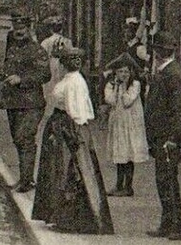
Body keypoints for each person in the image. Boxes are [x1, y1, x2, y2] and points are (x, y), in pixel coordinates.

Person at [32, 46, 113, 235]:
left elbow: (76, 112)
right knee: (59, 171)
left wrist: (73, 136)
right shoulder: (71, 79)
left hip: (68, 128)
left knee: (69, 171)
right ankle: (61, 216)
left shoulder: (74, 82)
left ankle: (73, 219)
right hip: (62, 126)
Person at [145, 33, 181, 241]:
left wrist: (173, 138)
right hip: (162, 137)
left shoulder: (173, 74)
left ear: (157, 52)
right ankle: (167, 223)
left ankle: (177, 224)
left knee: (168, 181)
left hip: (168, 139)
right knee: (164, 181)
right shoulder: (167, 72)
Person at [0, 23, 50, 192]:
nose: (19, 32)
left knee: (25, 139)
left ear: (29, 30)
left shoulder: (37, 50)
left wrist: (21, 79)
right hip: (13, 102)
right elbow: (8, 68)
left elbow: (45, 75)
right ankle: (25, 178)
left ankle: (27, 181)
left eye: (22, 29)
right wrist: (4, 74)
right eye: (16, 29)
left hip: (31, 103)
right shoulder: (12, 49)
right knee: (18, 141)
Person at [103, 52, 150, 197]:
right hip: (118, 123)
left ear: (131, 72)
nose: (124, 74)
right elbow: (110, 100)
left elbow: (127, 101)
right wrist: (116, 87)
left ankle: (128, 187)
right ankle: (118, 185)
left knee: (129, 154)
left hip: (131, 123)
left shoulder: (135, 85)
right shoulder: (111, 85)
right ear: (115, 73)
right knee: (120, 153)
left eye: (126, 72)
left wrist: (122, 87)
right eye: (120, 72)